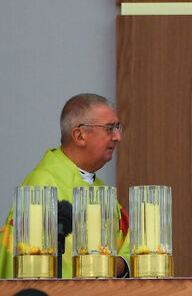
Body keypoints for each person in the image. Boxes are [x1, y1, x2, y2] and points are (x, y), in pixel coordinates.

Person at [0, 93, 129, 279]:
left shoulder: (100, 189)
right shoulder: (42, 184)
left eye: (118, 127)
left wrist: (119, 264)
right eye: (110, 128)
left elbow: (125, 252)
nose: (118, 136)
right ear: (79, 135)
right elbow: (31, 267)